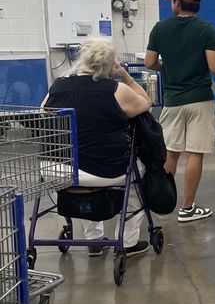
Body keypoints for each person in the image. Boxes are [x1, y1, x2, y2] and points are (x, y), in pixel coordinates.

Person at [43, 37, 153, 257]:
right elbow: (146, 102)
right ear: (111, 65)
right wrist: (125, 76)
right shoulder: (116, 89)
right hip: (104, 170)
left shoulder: (57, 86)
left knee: (85, 174)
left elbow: (42, 113)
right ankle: (128, 242)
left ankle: (93, 240)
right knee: (136, 178)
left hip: (56, 168)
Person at [144, 0, 215, 223]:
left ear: (176, 1)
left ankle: (163, 204)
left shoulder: (160, 29)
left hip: (173, 101)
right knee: (195, 154)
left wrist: (167, 66)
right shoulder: (207, 30)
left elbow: (150, 62)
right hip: (200, 100)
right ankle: (187, 208)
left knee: (170, 153)